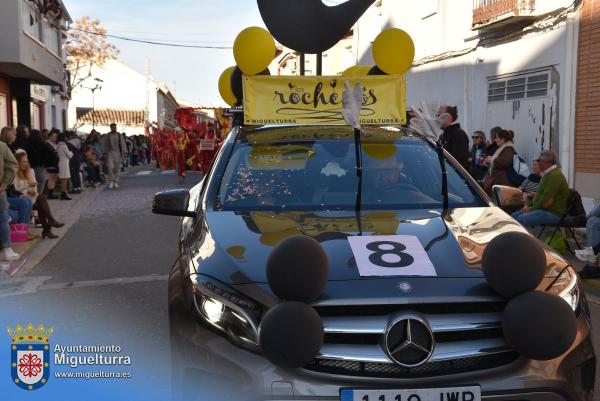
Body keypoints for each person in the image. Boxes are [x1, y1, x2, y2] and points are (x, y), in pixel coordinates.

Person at [512, 149, 569, 230]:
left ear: (546, 162)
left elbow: (547, 201)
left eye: (539, 160)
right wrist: (529, 206)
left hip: (553, 213)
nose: (537, 163)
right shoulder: (547, 174)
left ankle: (529, 242)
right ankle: (518, 240)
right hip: (543, 209)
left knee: (521, 219)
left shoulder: (555, 175)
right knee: (514, 216)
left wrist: (531, 209)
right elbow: (540, 196)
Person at [13, 151, 64, 239]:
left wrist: (31, 191)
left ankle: (48, 227)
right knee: (41, 201)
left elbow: (34, 187)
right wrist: (28, 188)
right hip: (19, 197)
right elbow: (15, 189)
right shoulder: (14, 173)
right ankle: (48, 228)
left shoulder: (30, 170)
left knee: (41, 199)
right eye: (24, 161)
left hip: (30, 197)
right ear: (18, 162)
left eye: (27, 161)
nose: (27, 163)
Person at [0, 128, 19, 261]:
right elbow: (13, 165)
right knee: (2, 217)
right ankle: (6, 249)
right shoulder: (2, 146)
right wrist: (4, 183)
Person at [482, 129, 516, 194]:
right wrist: (489, 160)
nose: (495, 140)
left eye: (497, 138)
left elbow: (504, 162)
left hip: (502, 182)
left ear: (503, 140)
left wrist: (491, 159)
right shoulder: (503, 148)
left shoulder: (508, 149)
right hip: (498, 181)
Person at [437, 105, 470, 170]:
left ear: (449, 118)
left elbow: (461, 162)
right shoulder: (443, 135)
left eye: (439, 116)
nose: (437, 119)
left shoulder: (459, 134)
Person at [101, 123, 126, 188]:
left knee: (117, 168)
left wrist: (125, 152)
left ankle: (116, 181)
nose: (114, 128)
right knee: (110, 167)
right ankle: (111, 181)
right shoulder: (107, 135)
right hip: (110, 153)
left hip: (118, 153)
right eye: (112, 127)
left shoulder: (119, 135)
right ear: (110, 128)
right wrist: (104, 152)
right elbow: (104, 144)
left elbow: (123, 144)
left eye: (115, 127)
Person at [56, 132, 73, 200]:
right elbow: (69, 155)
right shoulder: (64, 145)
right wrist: (71, 152)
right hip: (64, 164)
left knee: (63, 180)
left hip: (60, 163)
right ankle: (63, 194)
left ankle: (63, 193)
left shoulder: (58, 145)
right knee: (64, 180)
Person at [44, 129, 60, 199]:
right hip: (50, 163)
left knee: (54, 178)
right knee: (50, 178)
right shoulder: (47, 144)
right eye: (53, 136)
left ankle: (51, 193)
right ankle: (49, 194)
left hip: (56, 163)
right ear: (49, 137)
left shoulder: (55, 144)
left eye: (56, 136)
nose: (55, 138)